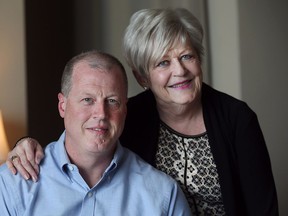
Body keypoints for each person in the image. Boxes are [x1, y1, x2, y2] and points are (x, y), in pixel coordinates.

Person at [6, 8, 278, 215]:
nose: (179, 71)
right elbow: (83, 135)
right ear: (143, 78)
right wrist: (25, 145)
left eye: (187, 56)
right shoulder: (128, 113)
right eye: (162, 62)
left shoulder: (236, 119)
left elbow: (263, 208)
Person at [0, 50, 191, 216]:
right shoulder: (12, 185)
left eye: (112, 101)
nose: (101, 114)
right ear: (62, 106)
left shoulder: (164, 195)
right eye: (87, 100)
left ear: (124, 109)